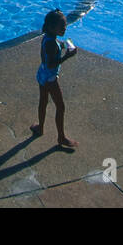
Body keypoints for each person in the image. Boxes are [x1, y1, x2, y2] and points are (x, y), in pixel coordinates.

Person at [30, 9, 77, 149]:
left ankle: (40, 127)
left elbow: (53, 49)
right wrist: (67, 56)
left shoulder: (48, 37)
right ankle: (61, 137)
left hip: (42, 74)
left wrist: (63, 45)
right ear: (51, 27)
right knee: (60, 107)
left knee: (43, 101)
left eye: (65, 26)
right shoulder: (51, 43)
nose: (64, 28)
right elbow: (52, 63)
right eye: (62, 26)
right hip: (50, 77)